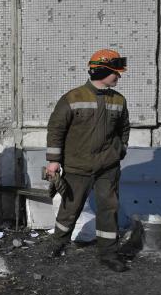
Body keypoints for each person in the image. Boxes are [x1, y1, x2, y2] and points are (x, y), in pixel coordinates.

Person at [45, 49, 131, 272]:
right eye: (115, 73)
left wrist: (120, 150)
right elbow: (56, 129)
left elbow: (124, 129)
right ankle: (57, 244)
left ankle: (109, 254)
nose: (118, 77)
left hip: (108, 168)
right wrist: (54, 161)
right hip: (77, 166)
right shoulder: (73, 98)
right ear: (103, 70)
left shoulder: (119, 100)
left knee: (108, 209)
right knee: (70, 208)